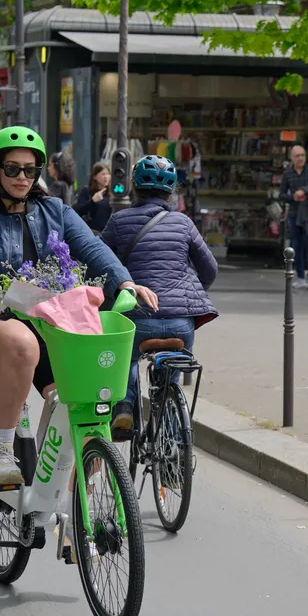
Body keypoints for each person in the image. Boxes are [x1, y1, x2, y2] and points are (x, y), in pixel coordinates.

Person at [0, 126, 158, 486]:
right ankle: (1, 452)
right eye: (13, 168)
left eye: (30, 170)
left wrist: (124, 281)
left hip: (50, 326)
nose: (22, 177)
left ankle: (78, 497)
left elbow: (91, 249)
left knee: (80, 395)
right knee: (22, 343)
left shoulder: (55, 210)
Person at [99, 154, 218, 438]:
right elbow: (209, 269)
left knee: (126, 357)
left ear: (133, 186)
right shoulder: (184, 223)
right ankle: (174, 441)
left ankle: (125, 407)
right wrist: (186, 293)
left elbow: (99, 263)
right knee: (171, 374)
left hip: (138, 319)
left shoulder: (118, 221)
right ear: (172, 191)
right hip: (180, 323)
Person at [278, 145, 308, 290]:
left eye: (303, 155)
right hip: (294, 214)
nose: (301, 158)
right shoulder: (287, 173)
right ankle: (300, 276)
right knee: (296, 246)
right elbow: (281, 194)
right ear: (291, 158)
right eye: (297, 156)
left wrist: (305, 192)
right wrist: (293, 197)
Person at [74, 162, 112, 232]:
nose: (106, 177)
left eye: (108, 174)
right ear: (95, 177)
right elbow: (78, 210)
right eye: (103, 174)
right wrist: (92, 201)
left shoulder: (111, 193)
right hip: (91, 232)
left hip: (108, 232)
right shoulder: (87, 191)